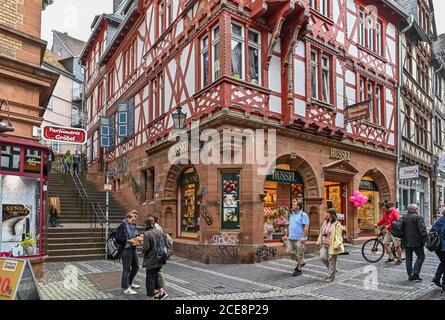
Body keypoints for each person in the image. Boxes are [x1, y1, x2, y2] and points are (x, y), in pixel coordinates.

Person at [115, 210, 143, 295]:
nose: (134, 222)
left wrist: (140, 235)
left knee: (136, 267)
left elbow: (136, 233)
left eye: (135, 220)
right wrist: (128, 240)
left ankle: (130, 283)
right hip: (126, 249)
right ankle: (126, 287)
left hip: (133, 248)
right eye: (133, 220)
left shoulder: (133, 225)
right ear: (128, 218)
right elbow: (118, 238)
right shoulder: (122, 226)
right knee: (127, 269)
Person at [142, 216, 169, 300]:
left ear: (146, 224)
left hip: (151, 260)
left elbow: (146, 248)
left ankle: (151, 297)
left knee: (150, 279)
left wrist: (143, 250)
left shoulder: (147, 234)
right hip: (161, 258)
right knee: (156, 275)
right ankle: (161, 292)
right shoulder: (159, 231)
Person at [401, 204, 428, 282]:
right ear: (415, 209)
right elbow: (422, 230)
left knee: (409, 259)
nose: (418, 209)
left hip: (406, 242)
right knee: (421, 257)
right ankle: (415, 273)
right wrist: (426, 240)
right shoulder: (418, 217)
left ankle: (410, 276)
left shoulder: (403, 217)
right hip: (417, 242)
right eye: (417, 208)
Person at [317, 209, 345, 282]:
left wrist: (337, 244)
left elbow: (339, 236)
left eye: (327, 213)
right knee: (322, 257)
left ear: (331, 214)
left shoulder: (337, 224)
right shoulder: (325, 222)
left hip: (332, 245)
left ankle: (331, 276)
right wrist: (319, 240)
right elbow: (321, 232)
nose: (325, 214)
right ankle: (333, 270)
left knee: (331, 260)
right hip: (324, 244)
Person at [284, 199, 309, 277]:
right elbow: (289, 225)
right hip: (291, 237)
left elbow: (306, 227)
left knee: (300, 252)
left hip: (299, 238)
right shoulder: (291, 214)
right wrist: (286, 235)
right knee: (289, 251)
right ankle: (300, 262)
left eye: (294, 204)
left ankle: (299, 269)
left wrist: (303, 237)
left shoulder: (303, 215)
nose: (292, 206)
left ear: (298, 206)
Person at [432, 209, 445, 290]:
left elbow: (432, 232)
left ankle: (437, 278)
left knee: (443, 262)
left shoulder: (438, 221)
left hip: (437, 246)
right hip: (443, 246)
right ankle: (443, 283)